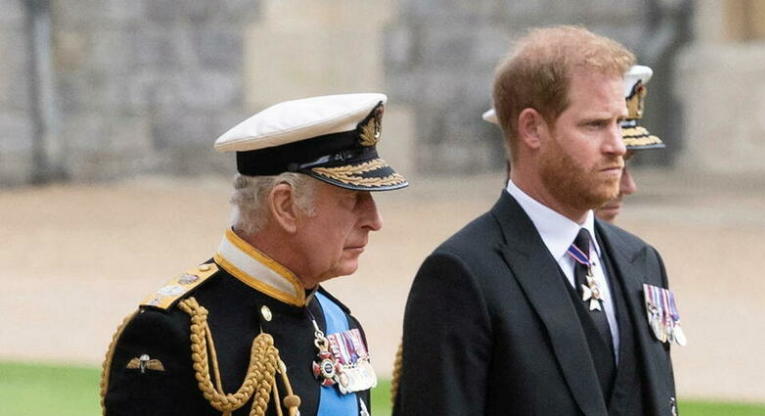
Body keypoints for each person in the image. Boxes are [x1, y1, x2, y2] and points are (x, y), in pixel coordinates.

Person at [394, 26, 683, 416]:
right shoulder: (463, 274)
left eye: (618, 123)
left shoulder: (642, 261)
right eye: (594, 125)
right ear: (532, 128)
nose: (617, 145)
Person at [100, 93, 408, 416]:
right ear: (285, 206)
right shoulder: (175, 334)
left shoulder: (338, 323)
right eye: (353, 198)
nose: (375, 220)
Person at [482, 65, 666, 223]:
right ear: (532, 132)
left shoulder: (631, 257)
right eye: (604, 160)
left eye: (622, 164)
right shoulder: (472, 261)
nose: (628, 187)